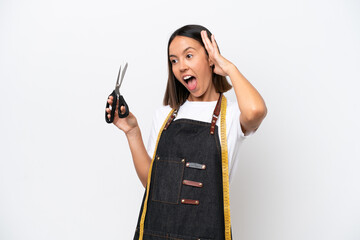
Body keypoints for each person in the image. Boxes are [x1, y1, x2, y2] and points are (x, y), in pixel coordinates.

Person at [106, 24, 267, 240]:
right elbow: (152, 184)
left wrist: (228, 67)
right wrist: (132, 132)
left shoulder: (233, 115)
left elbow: (256, 110)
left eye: (189, 56)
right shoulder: (165, 116)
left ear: (210, 58)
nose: (181, 66)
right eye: (174, 61)